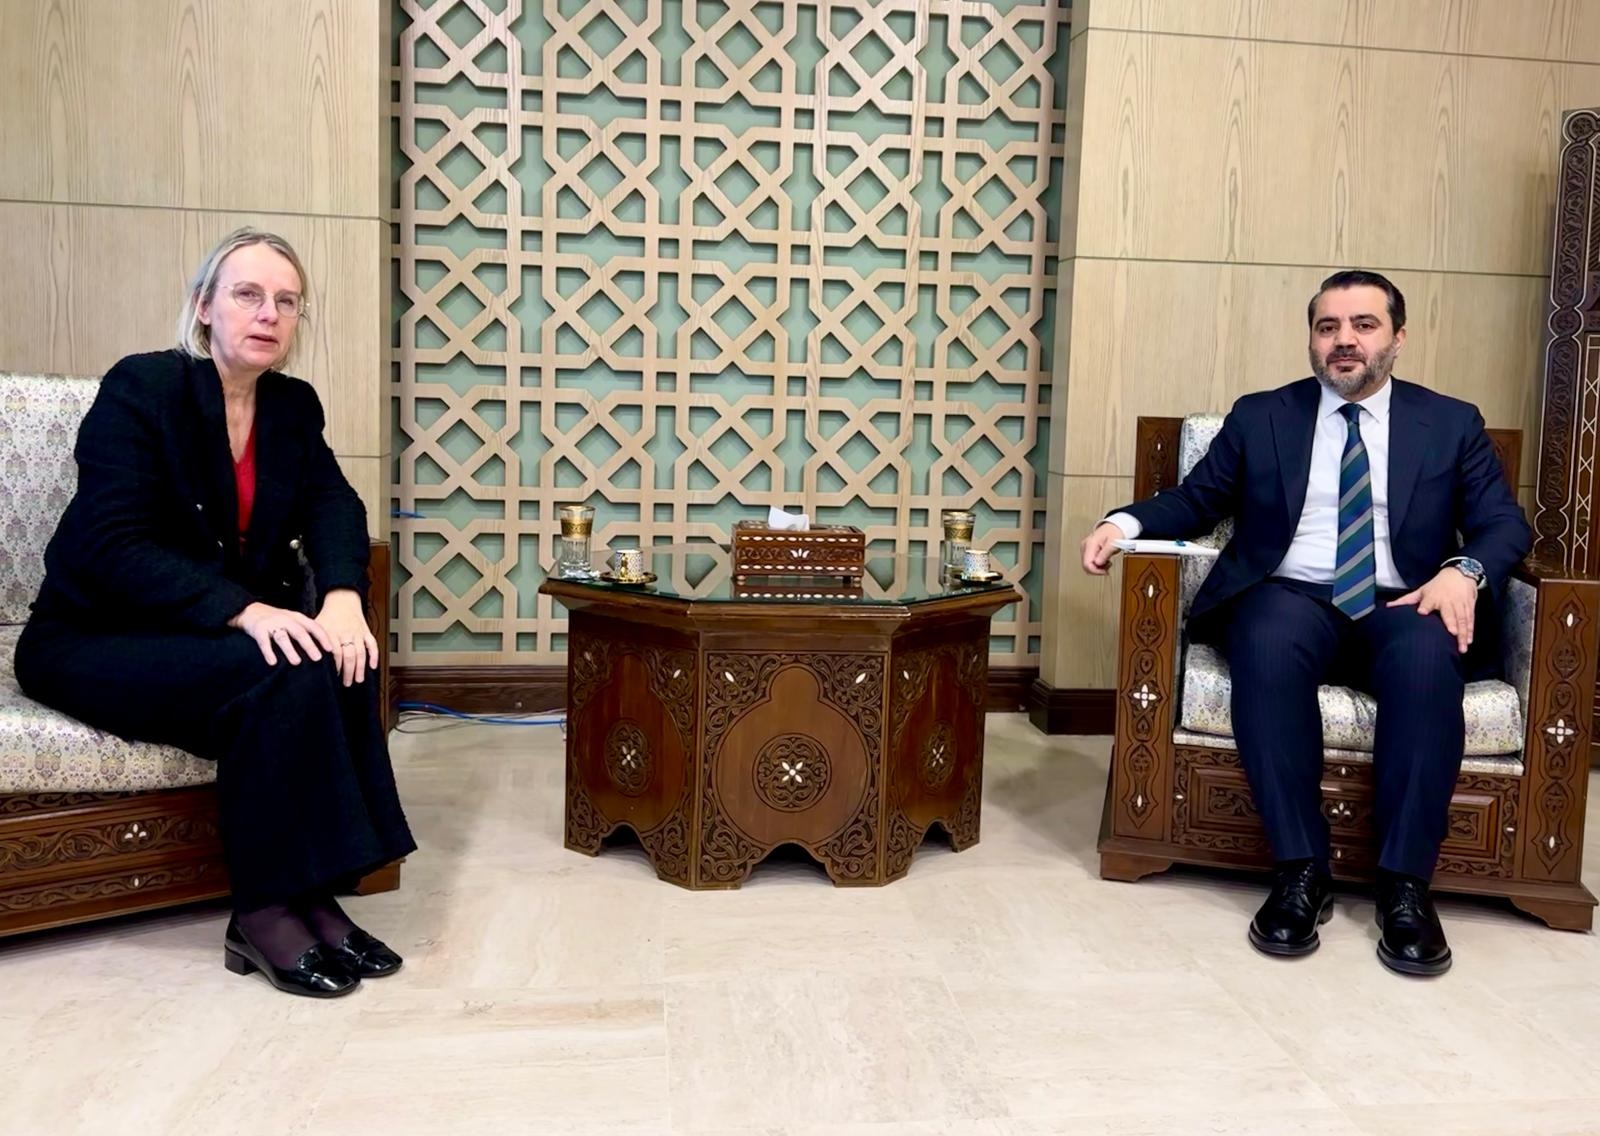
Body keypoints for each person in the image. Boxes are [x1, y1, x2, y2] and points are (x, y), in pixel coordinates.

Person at [1080, 270, 1531, 977]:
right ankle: (1300, 871)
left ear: (1398, 338)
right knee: (1263, 642)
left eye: (1364, 325)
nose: (1344, 340)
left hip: (1406, 597)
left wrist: (1463, 571)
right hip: (1290, 593)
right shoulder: (1263, 415)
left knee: (1425, 661)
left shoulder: (1450, 422)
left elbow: (1503, 523)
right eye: (1328, 327)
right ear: (1313, 340)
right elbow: (1197, 501)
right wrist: (1123, 523)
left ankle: (1405, 887)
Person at [14, 228, 416, 998]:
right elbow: (112, 544)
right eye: (248, 294)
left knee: (336, 655)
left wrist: (341, 596)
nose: (269, 314)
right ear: (204, 307)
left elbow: (333, 503)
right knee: (279, 669)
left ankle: (318, 895)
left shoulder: (291, 406)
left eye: (287, 302)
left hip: (202, 639)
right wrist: (246, 611)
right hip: (93, 638)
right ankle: (262, 912)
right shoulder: (143, 388)